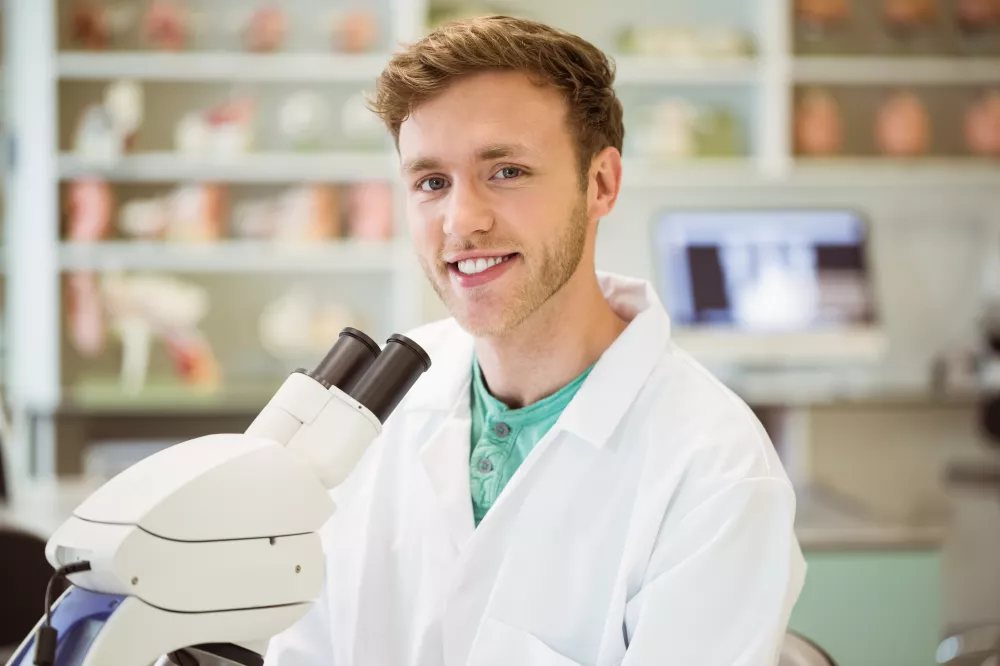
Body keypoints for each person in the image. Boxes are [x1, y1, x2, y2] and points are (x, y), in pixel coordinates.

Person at [264, 15, 806, 666]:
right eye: (432, 182)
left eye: (507, 171)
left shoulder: (714, 471)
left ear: (600, 184)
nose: (461, 221)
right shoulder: (374, 412)